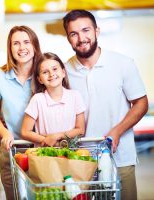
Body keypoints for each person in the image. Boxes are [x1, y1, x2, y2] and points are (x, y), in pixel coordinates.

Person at [62, 9, 148, 200]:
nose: (81, 38)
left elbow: (141, 103)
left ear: (96, 31)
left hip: (120, 157)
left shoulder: (123, 64)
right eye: (73, 34)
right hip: (80, 160)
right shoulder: (63, 71)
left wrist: (117, 130)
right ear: (68, 38)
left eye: (86, 30)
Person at [0, 25, 42, 200]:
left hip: (42, 150)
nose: (22, 48)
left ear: (34, 45)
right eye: (16, 43)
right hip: (12, 150)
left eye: (26, 42)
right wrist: (5, 133)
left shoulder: (45, 73)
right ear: (10, 48)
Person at [21, 52, 85, 147]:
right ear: (40, 80)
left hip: (70, 156)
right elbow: (25, 131)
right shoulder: (37, 99)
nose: (51, 74)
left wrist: (57, 136)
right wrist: (46, 140)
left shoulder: (75, 96)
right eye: (45, 72)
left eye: (55, 69)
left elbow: (80, 130)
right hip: (44, 156)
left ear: (63, 72)